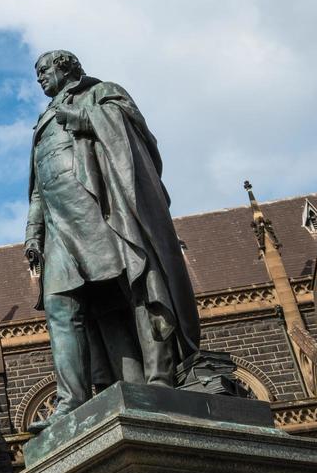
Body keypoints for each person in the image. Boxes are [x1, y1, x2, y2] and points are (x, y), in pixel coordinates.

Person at [24, 50, 201, 431]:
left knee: (136, 285)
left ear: (66, 67)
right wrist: (33, 232)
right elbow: (39, 185)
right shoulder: (41, 122)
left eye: (44, 70)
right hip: (60, 229)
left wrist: (81, 117)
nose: (39, 78)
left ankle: (158, 379)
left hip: (104, 211)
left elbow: (132, 134)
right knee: (60, 308)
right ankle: (72, 400)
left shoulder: (101, 92)